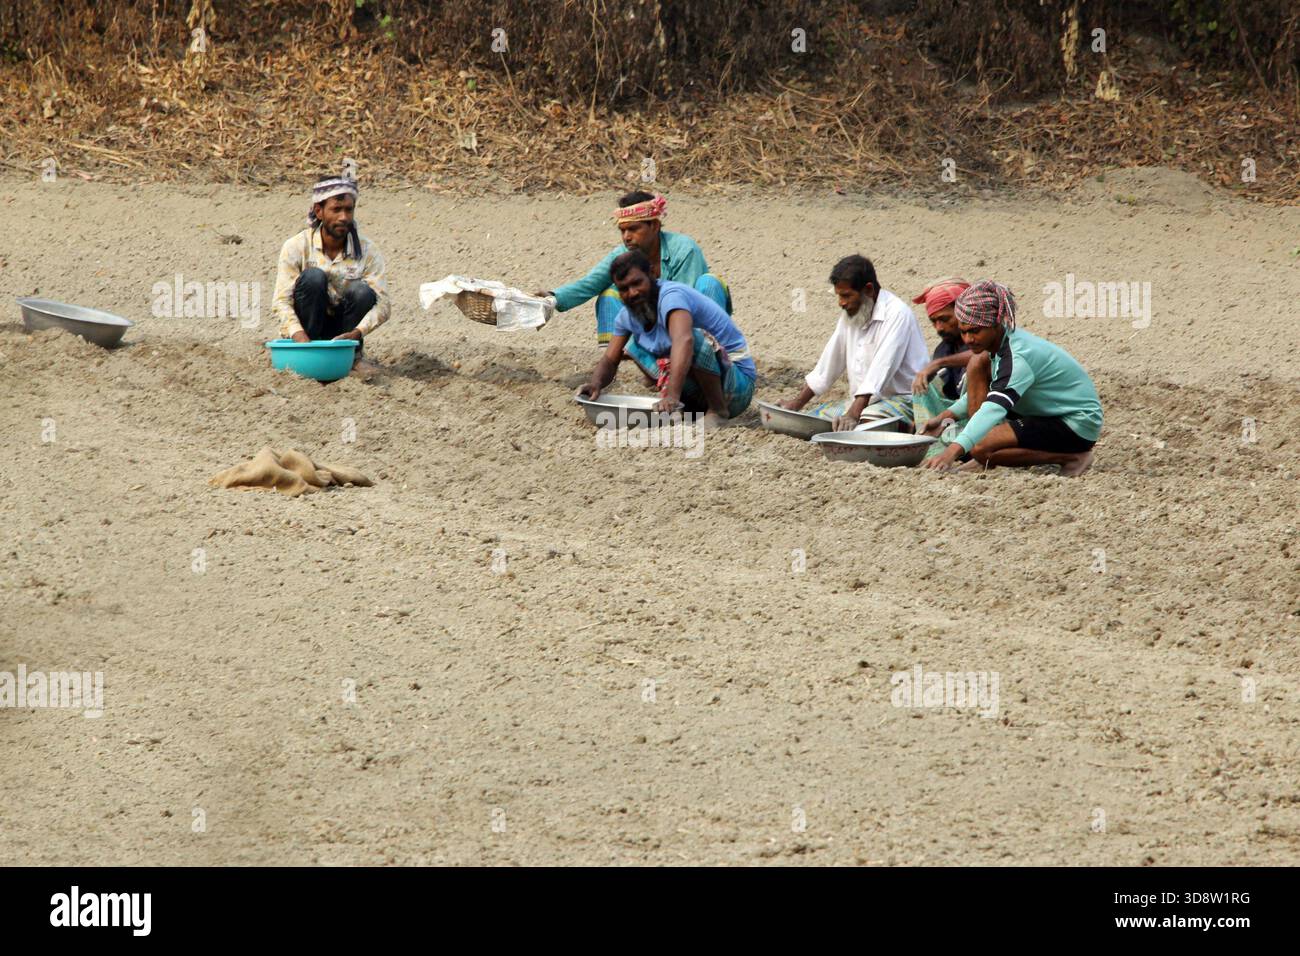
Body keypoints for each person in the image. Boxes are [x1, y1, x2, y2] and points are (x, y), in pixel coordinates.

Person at [920, 280, 1102, 476]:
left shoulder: (1017, 355)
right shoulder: (999, 346)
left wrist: (952, 452)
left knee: (980, 447)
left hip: (1077, 423)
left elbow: (994, 407)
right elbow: (989, 394)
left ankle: (1073, 457)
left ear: (996, 324)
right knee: (978, 441)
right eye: (963, 332)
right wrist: (944, 418)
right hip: (1048, 415)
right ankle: (984, 458)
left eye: (975, 331)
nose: (968, 339)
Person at [577, 249, 755, 428]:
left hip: (736, 386)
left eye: (637, 283)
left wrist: (672, 396)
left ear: (652, 274)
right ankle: (683, 408)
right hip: (696, 396)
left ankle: (718, 411)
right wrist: (595, 384)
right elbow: (610, 359)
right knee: (632, 346)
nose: (632, 293)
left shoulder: (671, 296)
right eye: (624, 289)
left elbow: (684, 340)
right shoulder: (626, 316)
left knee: (692, 338)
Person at [539, 191, 731, 345]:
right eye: (623, 230)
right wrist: (552, 298)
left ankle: (709, 348)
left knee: (710, 282)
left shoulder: (684, 249)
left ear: (654, 226)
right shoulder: (623, 254)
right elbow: (590, 283)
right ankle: (620, 357)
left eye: (634, 229)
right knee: (608, 294)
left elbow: (687, 300)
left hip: (686, 325)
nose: (626, 237)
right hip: (653, 323)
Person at [778, 254, 928, 431]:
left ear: (868, 290)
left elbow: (882, 367)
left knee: (868, 421)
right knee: (810, 422)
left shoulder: (897, 314)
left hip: (905, 400)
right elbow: (829, 363)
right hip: (863, 402)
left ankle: (907, 428)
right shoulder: (851, 315)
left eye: (846, 296)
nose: (841, 303)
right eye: (839, 296)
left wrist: (854, 414)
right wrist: (797, 404)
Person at [271, 175, 390, 361]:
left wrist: (358, 332)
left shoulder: (368, 251)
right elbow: (281, 301)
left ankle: (352, 358)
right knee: (313, 278)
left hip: (344, 331)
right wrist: (298, 334)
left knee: (362, 291)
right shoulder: (296, 246)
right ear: (319, 211)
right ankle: (308, 354)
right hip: (306, 331)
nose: (343, 217)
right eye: (336, 210)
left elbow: (383, 305)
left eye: (348, 210)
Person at [911, 277, 972, 400]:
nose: (939, 328)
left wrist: (939, 363)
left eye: (944, 319)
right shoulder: (943, 350)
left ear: (963, 312)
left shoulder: (984, 339)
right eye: (933, 321)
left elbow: (985, 355)